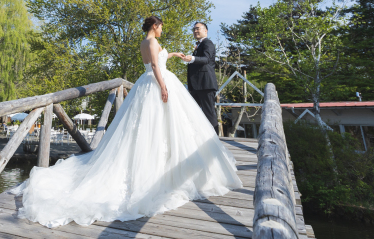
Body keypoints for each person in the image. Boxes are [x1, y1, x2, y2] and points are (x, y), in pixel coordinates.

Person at [12, 15, 242, 228]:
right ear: (155, 26)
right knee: (163, 125)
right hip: (157, 82)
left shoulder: (145, 42)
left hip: (145, 83)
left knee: (150, 127)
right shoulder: (152, 42)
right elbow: (155, 66)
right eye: (161, 27)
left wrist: (171, 55)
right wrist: (163, 87)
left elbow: (157, 59)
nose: (162, 30)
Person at [180, 22, 219, 133]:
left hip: (205, 85)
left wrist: (192, 58)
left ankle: (214, 139)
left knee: (209, 113)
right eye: (194, 29)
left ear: (205, 31)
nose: (195, 31)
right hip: (196, 86)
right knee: (193, 113)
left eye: (198, 28)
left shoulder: (208, 43)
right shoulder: (199, 45)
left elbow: (206, 59)